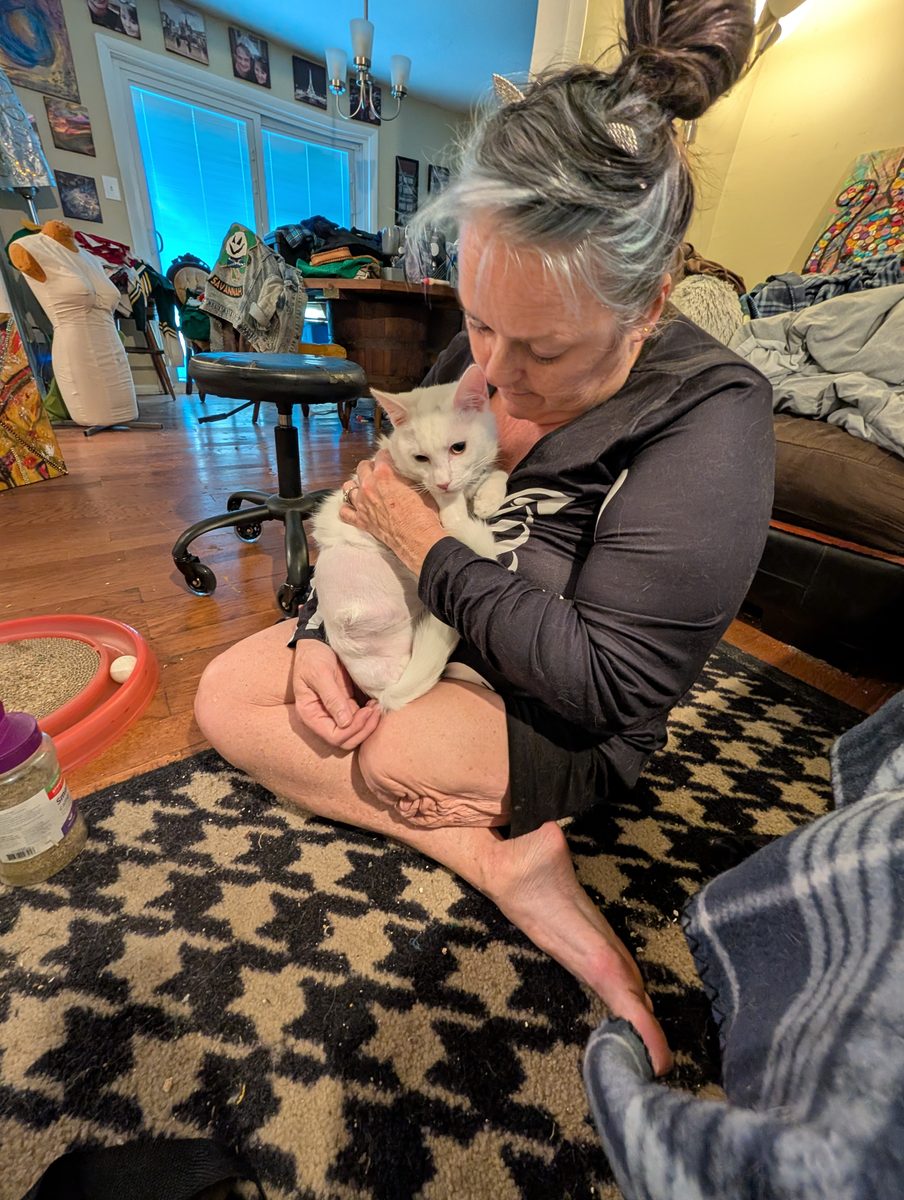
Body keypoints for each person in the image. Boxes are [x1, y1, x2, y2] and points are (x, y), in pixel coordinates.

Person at [195, 0, 771, 1077]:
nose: (493, 370)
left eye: (540, 349)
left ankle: (496, 820)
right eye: (479, 319)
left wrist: (425, 553)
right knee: (228, 693)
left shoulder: (714, 420)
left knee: (393, 744)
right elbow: (383, 490)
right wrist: (320, 622)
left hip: (556, 710)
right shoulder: (503, 327)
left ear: (646, 306)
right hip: (438, 634)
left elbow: (607, 687)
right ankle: (488, 857)